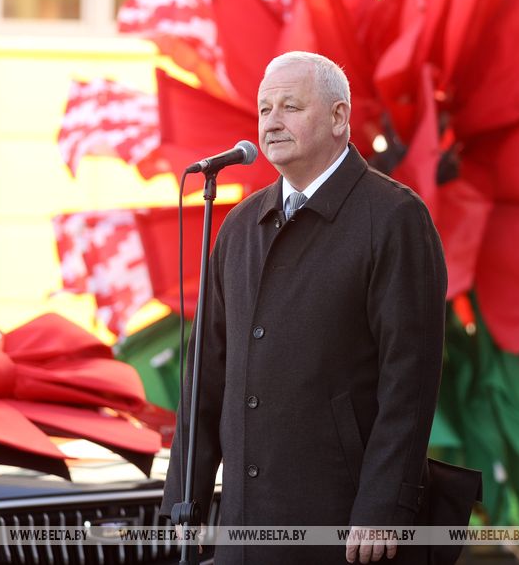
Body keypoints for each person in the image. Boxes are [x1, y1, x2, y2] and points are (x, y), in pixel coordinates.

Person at [161, 51, 447, 564]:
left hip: (341, 525)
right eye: (264, 109)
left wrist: (383, 506)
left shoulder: (395, 218)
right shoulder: (240, 226)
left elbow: (410, 376)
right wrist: (185, 503)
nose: (272, 121)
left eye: (290, 106)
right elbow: (205, 374)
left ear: (340, 118)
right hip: (242, 529)